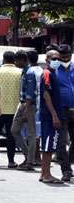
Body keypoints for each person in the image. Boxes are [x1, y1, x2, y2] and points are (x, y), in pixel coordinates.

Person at [0, 51, 21, 168]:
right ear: (14, 60)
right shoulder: (20, 72)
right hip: (14, 108)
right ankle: (11, 161)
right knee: (10, 135)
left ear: (3, 59)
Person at [11, 50, 38, 171]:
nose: (15, 63)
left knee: (31, 134)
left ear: (23, 60)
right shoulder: (24, 71)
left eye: (17, 60)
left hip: (29, 105)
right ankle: (28, 156)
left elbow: (30, 93)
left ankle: (30, 161)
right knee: (14, 130)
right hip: (22, 105)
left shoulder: (30, 73)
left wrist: (26, 110)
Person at [38, 50, 63, 184]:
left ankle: (44, 173)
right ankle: (47, 174)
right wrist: (54, 115)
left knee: (47, 146)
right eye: (54, 58)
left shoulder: (53, 73)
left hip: (49, 116)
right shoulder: (47, 74)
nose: (57, 60)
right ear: (47, 59)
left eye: (58, 58)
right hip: (49, 116)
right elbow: (46, 95)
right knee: (48, 147)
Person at [55, 44, 74, 182]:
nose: (65, 59)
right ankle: (66, 170)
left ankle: (69, 161)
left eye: (67, 57)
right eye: (63, 57)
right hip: (62, 111)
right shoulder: (54, 70)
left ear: (71, 55)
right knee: (61, 142)